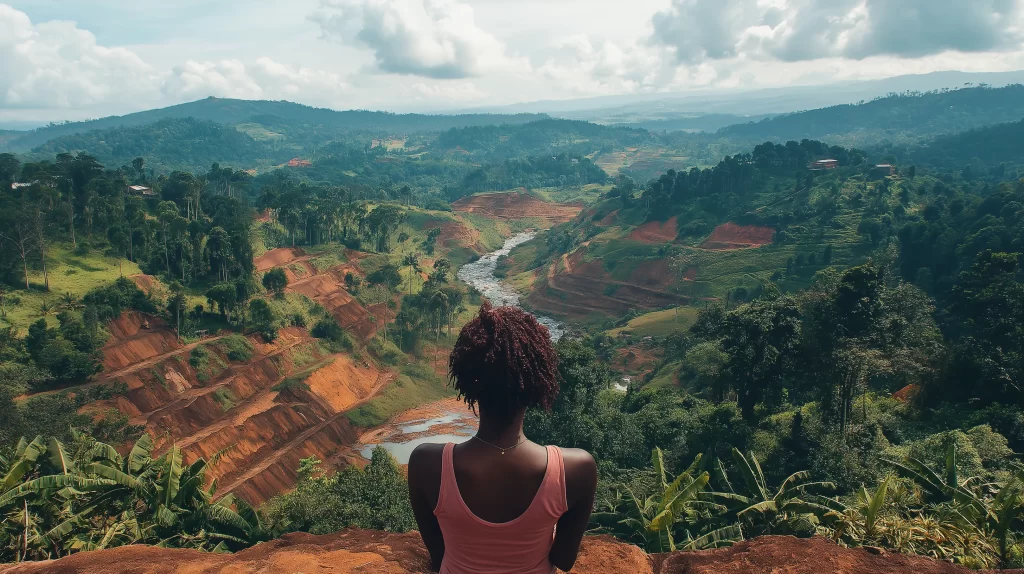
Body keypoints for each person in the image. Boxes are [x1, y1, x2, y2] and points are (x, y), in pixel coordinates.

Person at [408, 303, 598, 573]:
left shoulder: (425, 463)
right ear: (535, 384)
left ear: (468, 379)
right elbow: (564, 560)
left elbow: (439, 555)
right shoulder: (576, 467)